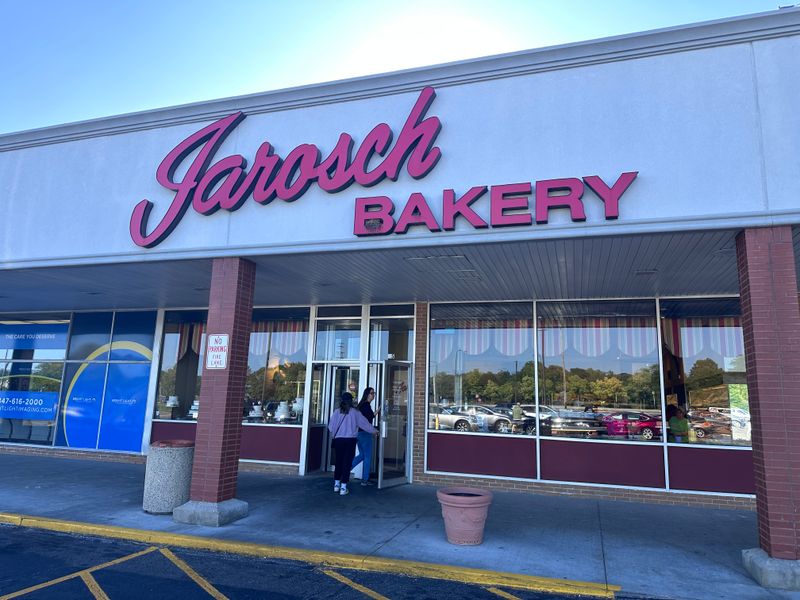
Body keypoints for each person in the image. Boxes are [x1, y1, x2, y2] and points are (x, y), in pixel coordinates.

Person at [328, 392, 377, 496]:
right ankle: (343, 487)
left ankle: (336, 485)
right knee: (347, 463)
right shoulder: (355, 412)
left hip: (338, 440)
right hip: (350, 441)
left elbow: (330, 427)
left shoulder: (336, 412)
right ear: (351, 401)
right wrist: (374, 431)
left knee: (339, 462)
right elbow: (365, 424)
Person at [351, 387, 378, 485]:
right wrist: (373, 431)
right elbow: (366, 421)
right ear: (367, 394)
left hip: (358, 433)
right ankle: (365, 480)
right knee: (367, 457)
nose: (373, 395)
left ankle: (344, 471)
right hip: (365, 433)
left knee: (362, 455)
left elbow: (369, 416)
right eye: (372, 393)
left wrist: (377, 411)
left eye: (374, 393)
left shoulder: (362, 405)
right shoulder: (366, 406)